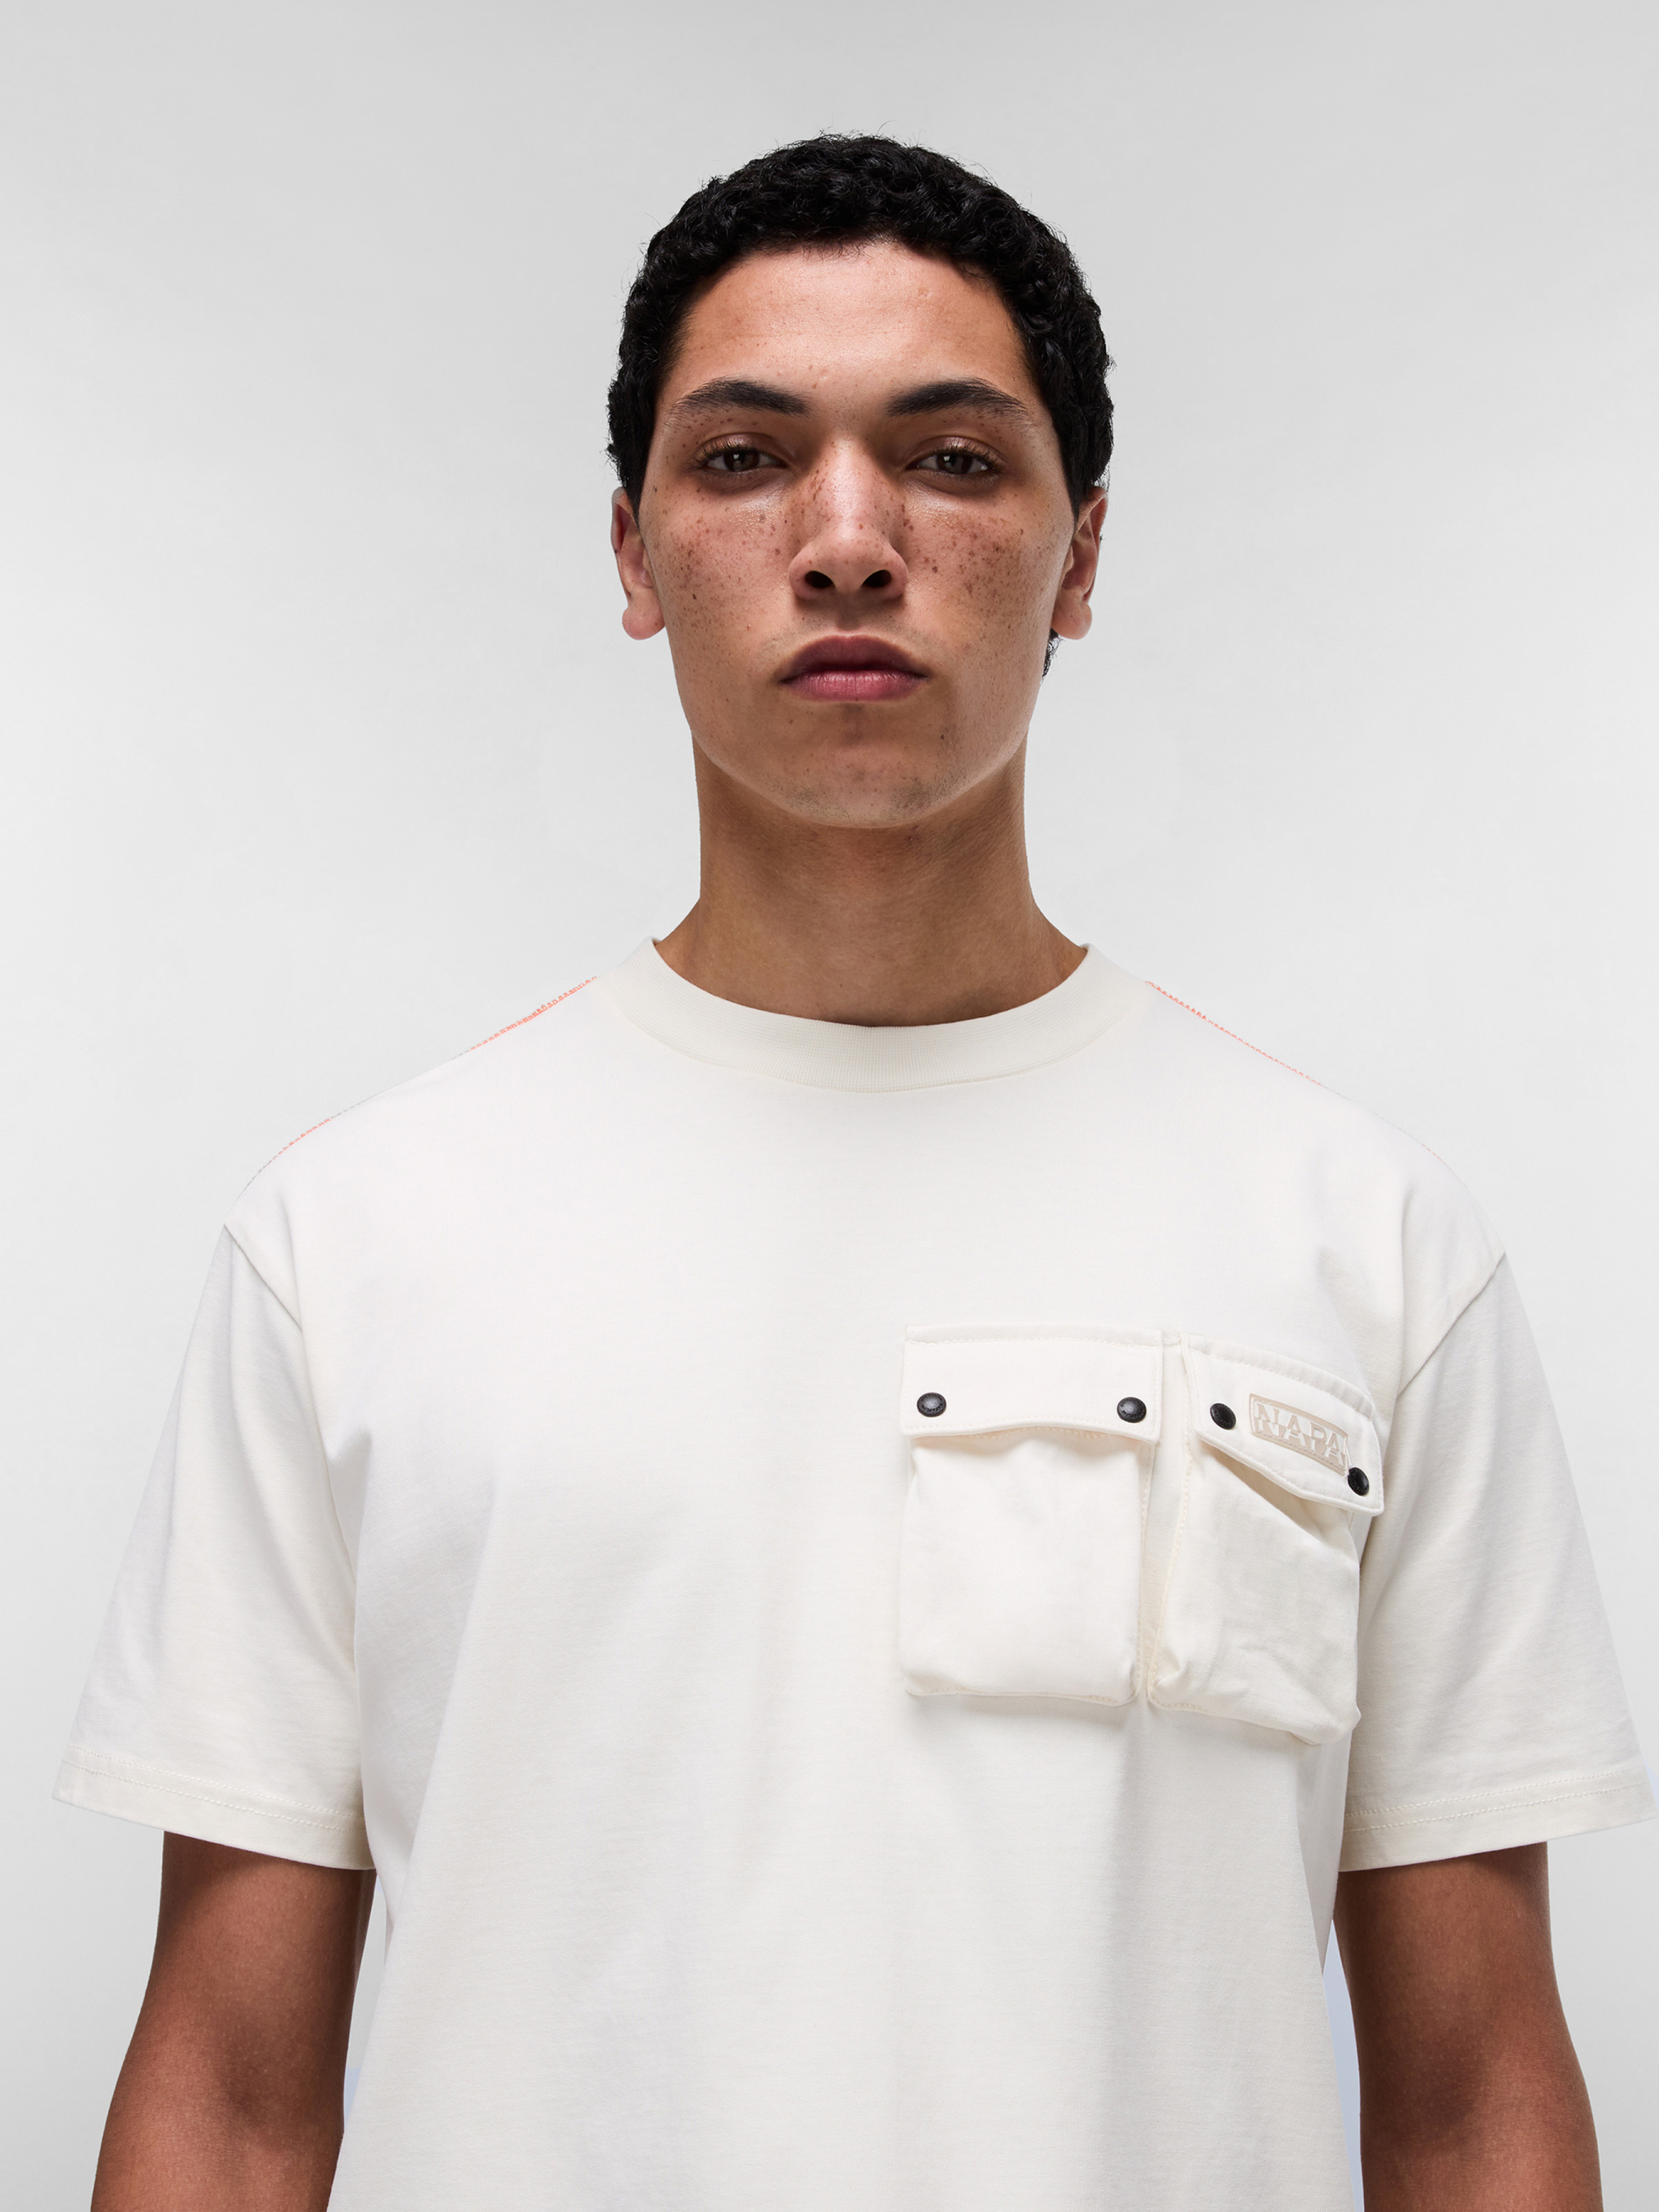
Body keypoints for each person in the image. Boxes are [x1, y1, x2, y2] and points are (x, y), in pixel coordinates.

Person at [61, 134, 1651, 2212]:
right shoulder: (355, 1244)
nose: (843, 540)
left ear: (1080, 556)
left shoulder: (1361, 1242)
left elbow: (1467, 2102)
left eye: (948, 459)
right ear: (633, 554)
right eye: (742, 459)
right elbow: (229, 2101)